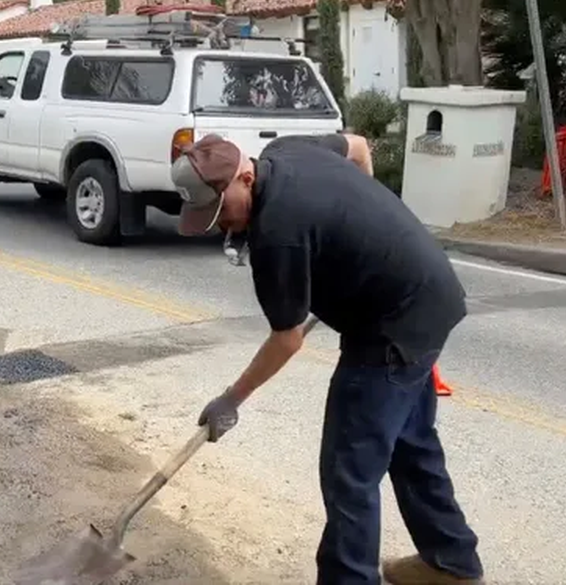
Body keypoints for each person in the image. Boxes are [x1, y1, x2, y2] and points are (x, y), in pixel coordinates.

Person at [171, 132, 483, 585]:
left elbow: (287, 340)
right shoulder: (287, 150)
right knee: (410, 443)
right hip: (429, 294)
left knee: (348, 472)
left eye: (222, 211)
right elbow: (357, 146)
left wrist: (230, 399)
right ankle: (451, 562)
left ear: (245, 175)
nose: (224, 226)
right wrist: (369, 221)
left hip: (390, 328)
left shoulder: (277, 234)